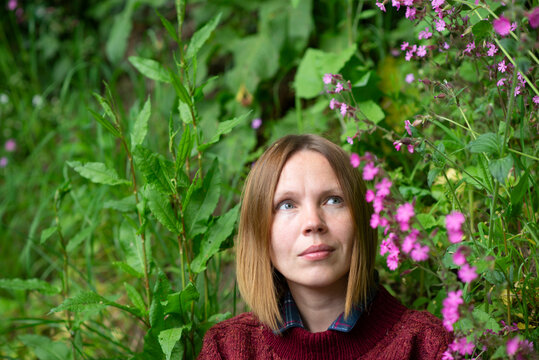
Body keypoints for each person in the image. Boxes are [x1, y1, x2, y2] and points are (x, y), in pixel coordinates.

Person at [198, 134, 452, 359]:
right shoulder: (227, 350)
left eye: (333, 200)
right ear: (259, 232)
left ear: (362, 219)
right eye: (287, 204)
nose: (313, 223)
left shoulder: (424, 346)